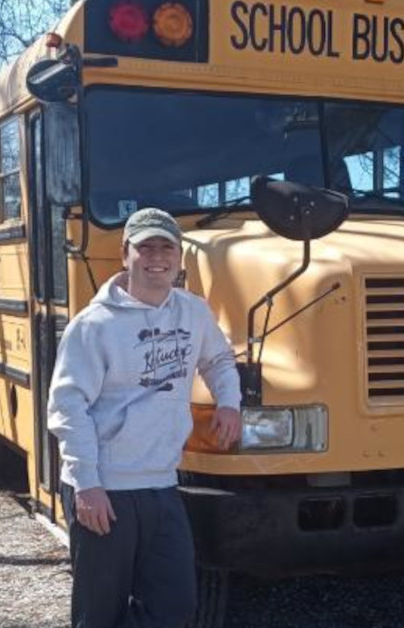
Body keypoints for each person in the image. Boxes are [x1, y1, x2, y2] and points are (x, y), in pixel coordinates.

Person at [47, 207, 242, 628]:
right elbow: (68, 406)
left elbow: (220, 359)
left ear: (179, 257)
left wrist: (229, 402)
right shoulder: (93, 326)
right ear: (125, 254)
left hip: (161, 484)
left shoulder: (193, 312)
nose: (157, 256)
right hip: (107, 488)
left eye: (166, 247)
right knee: (99, 612)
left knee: (174, 607)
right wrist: (87, 484)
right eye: (145, 247)